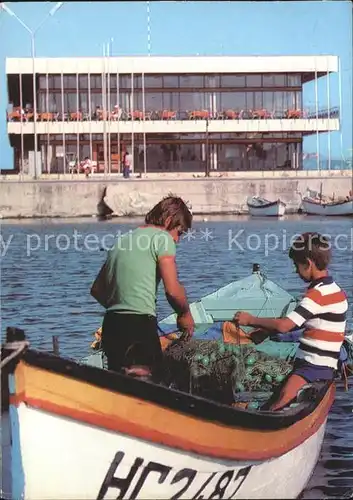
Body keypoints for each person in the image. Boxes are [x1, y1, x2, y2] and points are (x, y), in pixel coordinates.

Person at [234, 232, 348, 411]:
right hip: (324, 365)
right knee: (276, 399)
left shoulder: (316, 295)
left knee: (277, 406)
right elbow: (307, 322)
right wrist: (266, 332)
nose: (296, 271)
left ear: (308, 264)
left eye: (297, 265)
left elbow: (285, 325)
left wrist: (250, 319)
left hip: (313, 367)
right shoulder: (336, 292)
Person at [90, 195, 194, 380]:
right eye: (180, 232)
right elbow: (172, 290)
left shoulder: (124, 239)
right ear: (169, 220)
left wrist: (125, 303)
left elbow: (97, 291)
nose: (178, 240)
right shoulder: (162, 239)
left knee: (120, 384)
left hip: (112, 325)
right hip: (139, 326)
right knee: (154, 385)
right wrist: (184, 314)